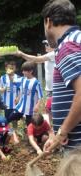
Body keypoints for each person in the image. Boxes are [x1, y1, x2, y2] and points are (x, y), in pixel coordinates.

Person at [41, 0, 81, 152]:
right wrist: (55, 135)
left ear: (48, 22)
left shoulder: (68, 46)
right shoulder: (77, 40)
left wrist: (62, 132)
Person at [9, 61, 43, 126]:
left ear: (31, 71)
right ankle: (20, 120)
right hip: (20, 107)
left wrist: (37, 105)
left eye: (25, 71)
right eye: (23, 70)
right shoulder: (22, 79)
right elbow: (13, 81)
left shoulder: (36, 82)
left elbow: (40, 96)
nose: (23, 72)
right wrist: (10, 75)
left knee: (29, 125)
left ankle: (26, 130)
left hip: (30, 109)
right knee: (10, 117)